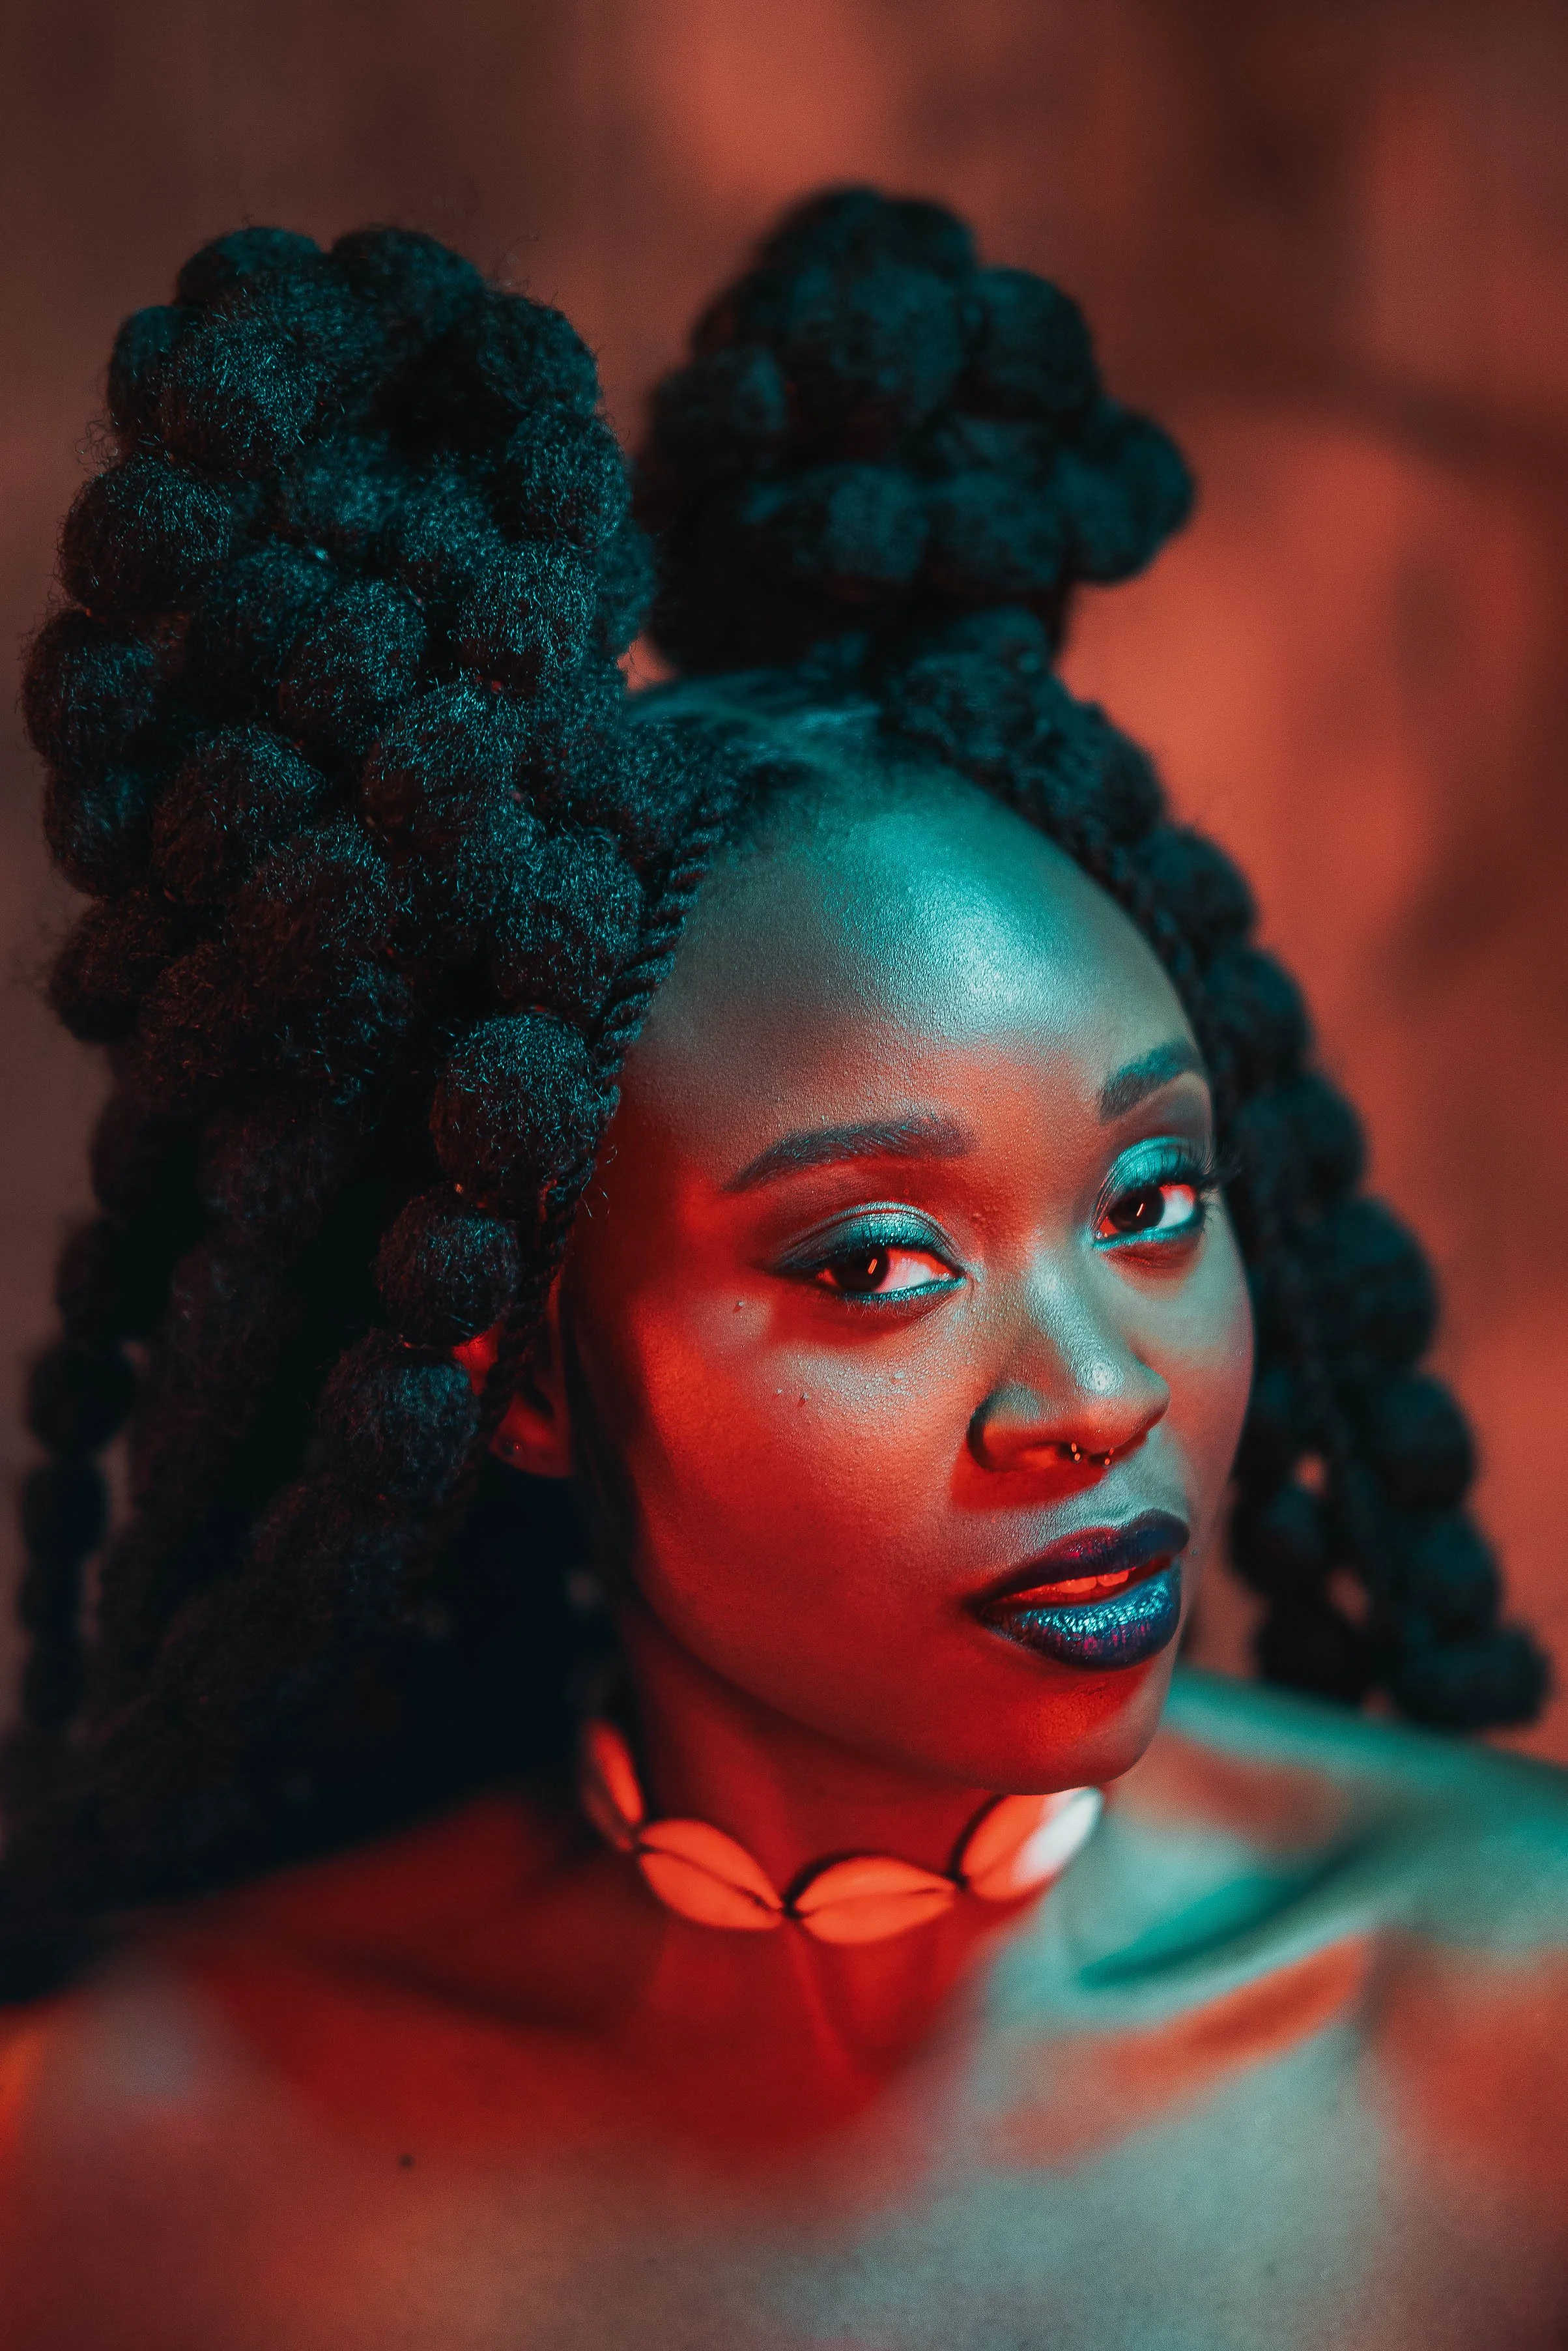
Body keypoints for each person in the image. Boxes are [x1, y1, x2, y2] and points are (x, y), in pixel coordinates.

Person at [1, 189, 1565, 2348]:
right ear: (517, 1365)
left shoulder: (1520, 2029)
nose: (1095, 1393)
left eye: (1149, 1202)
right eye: (880, 1260)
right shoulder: (108, 2148)